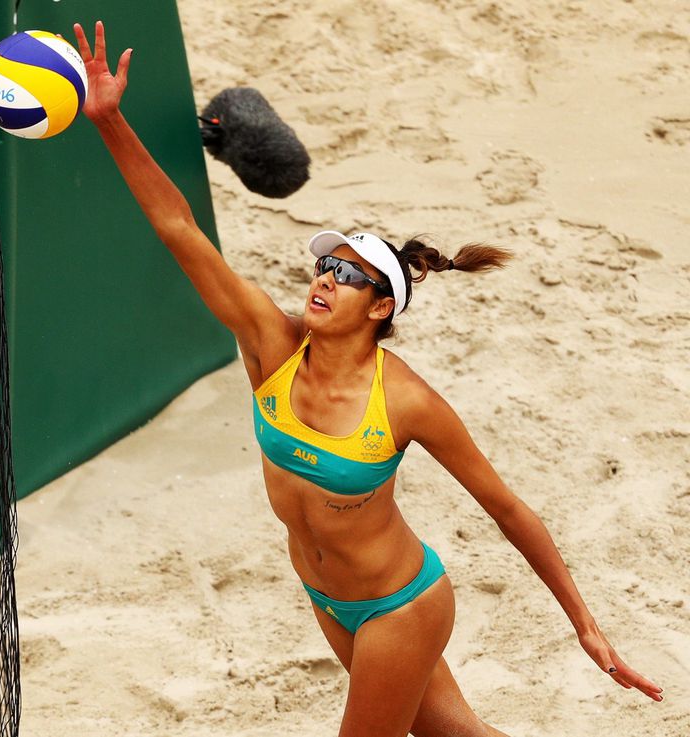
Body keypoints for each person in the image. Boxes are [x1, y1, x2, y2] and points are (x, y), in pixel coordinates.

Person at [71, 21, 663, 736]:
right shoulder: (270, 344)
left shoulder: (405, 400)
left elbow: (507, 508)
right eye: (325, 265)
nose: (325, 278)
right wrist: (108, 120)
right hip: (326, 594)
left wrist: (585, 625)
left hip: (399, 604)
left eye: (347, 274)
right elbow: (179, 228)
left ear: (380, 306)